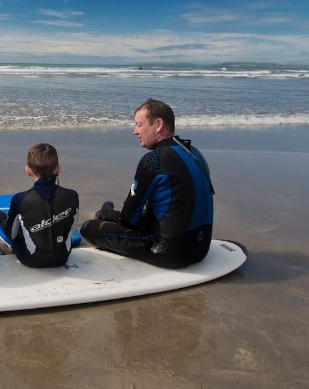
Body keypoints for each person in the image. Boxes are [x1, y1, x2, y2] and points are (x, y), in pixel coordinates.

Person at [79, 98, 214, 268]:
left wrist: (120, 221)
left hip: (169, 252)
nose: (135, 131)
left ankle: (105, 215)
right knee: (145, 213)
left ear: (158, 125)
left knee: (89, 228)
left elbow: (129, 219)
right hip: (202, 248)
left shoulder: (153, 160)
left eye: (139, 125)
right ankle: (107, 213)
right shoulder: (194, 152)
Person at [0, 143, 79, 268]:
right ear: (58, 169)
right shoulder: (72, 195)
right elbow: (72, 227)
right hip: (62, 257)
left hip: (30, 260)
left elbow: (12, 235)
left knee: (13, 227)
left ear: (28, 170)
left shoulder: (20, 199)